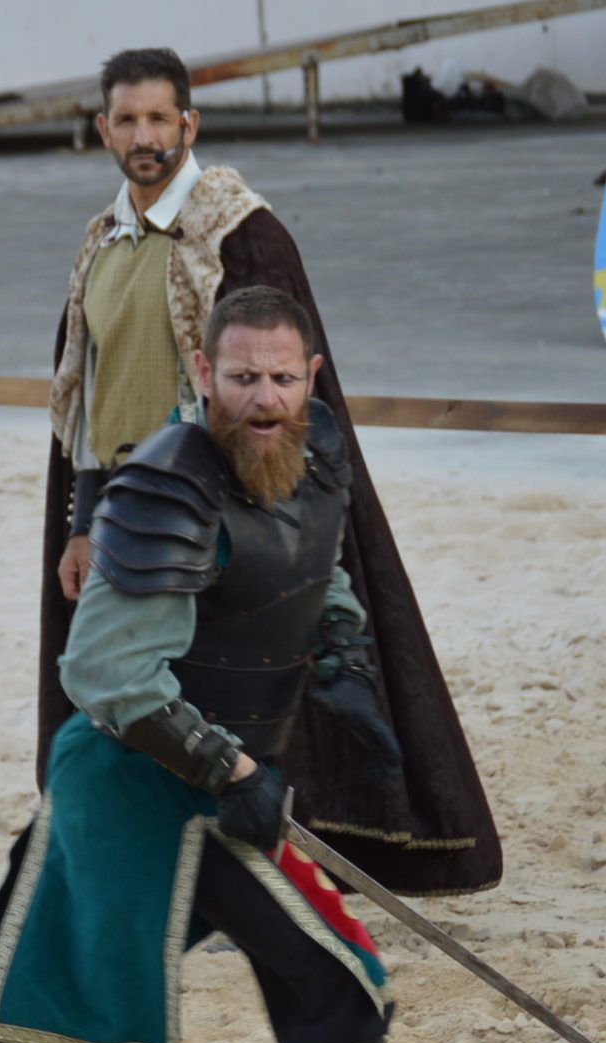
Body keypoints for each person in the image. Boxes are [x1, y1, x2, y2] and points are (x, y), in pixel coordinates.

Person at [0, 287, 492, 1043]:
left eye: (284, 378)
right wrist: (229, 764)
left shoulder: (310, 449)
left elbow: (306, 562)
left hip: (213, 777)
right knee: (323, 963)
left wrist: (334, 650)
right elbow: (103, 671)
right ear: (203, 374)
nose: (265, 399)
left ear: (311, 378)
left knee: (57, 984)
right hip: (133, 783)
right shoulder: (167, 486)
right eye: (242, 378)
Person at [39, 46, 499, 897]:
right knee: (135, 685)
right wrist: (79, 522)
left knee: (251, 680)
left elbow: (282, 397)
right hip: (135, 514)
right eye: (128, 120)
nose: (145, 137)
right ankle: (164, 859)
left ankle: (277, 851)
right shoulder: (101, 246)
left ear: (190, 124)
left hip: (237, 506)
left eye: (160, 119)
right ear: (104, 129)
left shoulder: (242, 233)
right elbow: (90, 400)